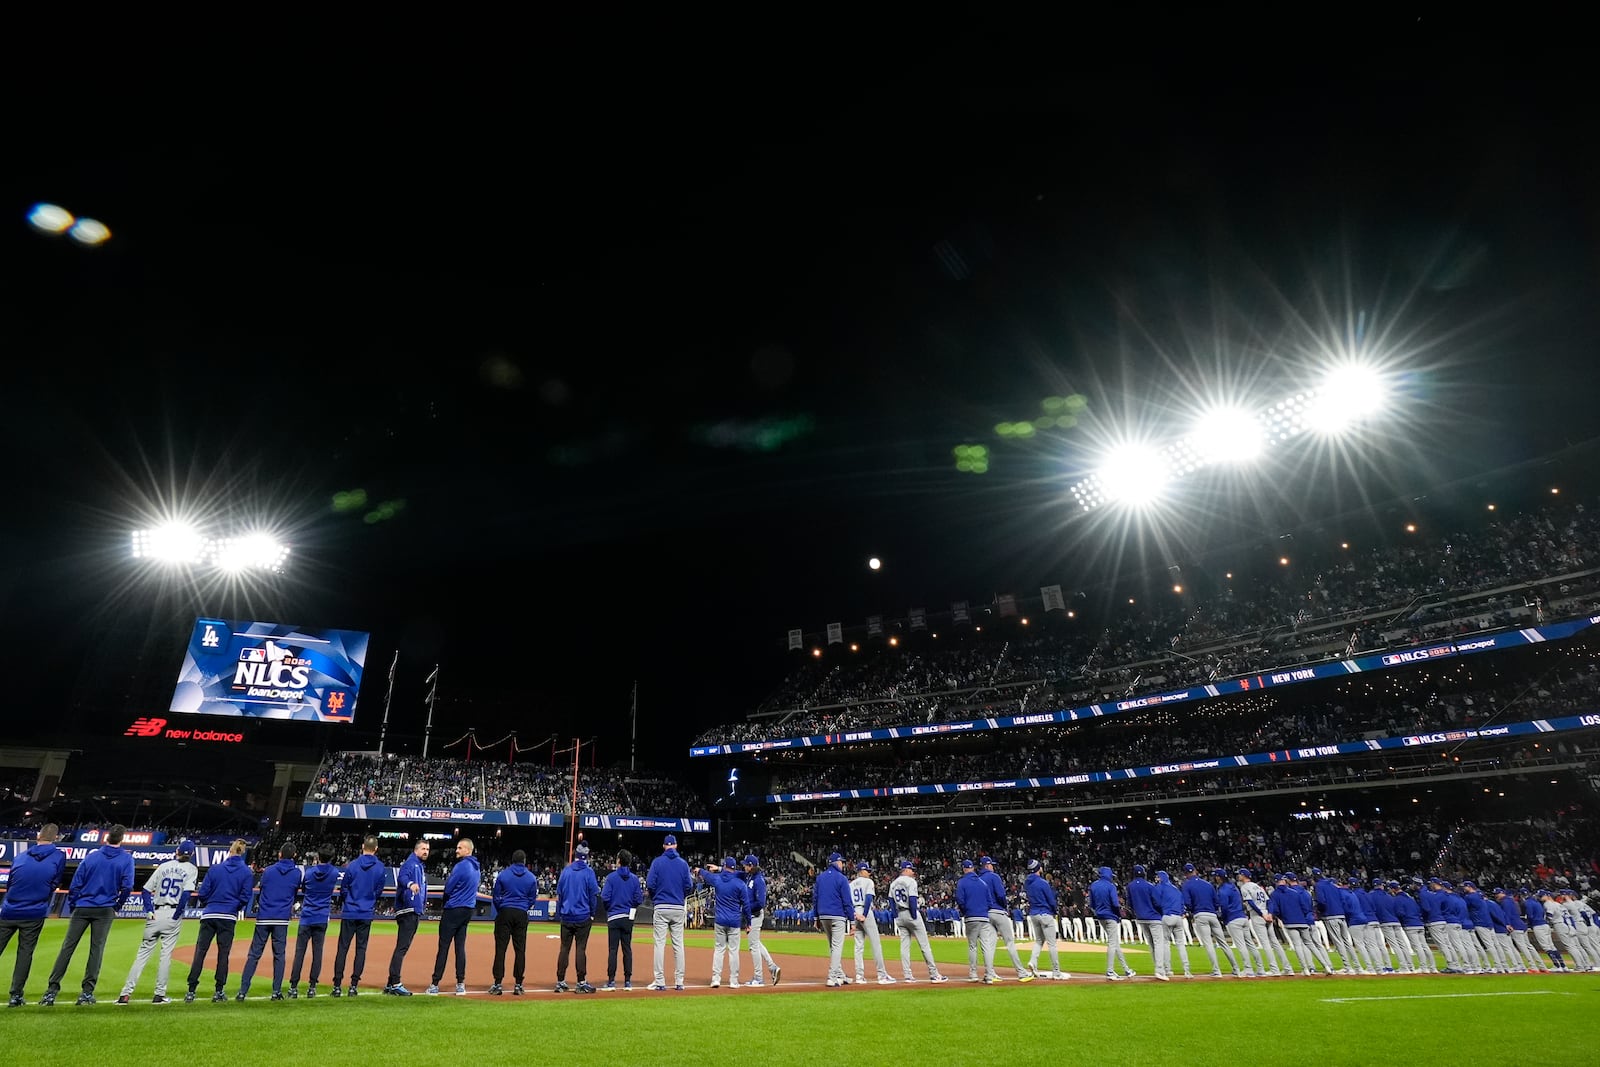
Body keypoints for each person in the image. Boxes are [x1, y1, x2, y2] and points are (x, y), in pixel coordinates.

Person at [40, 824, 135, 1006]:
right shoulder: (126, 859)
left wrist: (75, 903)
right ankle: (86, 993)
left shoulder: (92, 857)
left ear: (107, 838)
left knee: (67, 948)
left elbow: (76, 883)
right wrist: (118, 906)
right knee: (96, 950)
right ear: (121, 839)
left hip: (83, 906)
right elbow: (128, 886)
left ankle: (51, 992)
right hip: (105, 908)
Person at [116, 839, 198, 1005]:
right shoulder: (191, 869)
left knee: (141, 956)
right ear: (192, 855)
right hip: (172, 914)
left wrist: (149, 910)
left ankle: (125, 994)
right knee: (165, 956)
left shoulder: (164, 866)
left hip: (156, 913)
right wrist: (177, 915)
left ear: (177, 850)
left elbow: (146, 890)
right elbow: (186, 895)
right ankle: (159, 995)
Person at [1, 824, 66, 1007]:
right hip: (34, 911)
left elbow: (11, 882)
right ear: (56, 838)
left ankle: (16, 995)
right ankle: (15, 995)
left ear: (38, 836)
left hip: (10, 909)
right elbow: (54, 882)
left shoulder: (21, 856)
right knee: (25, 953)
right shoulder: (58, 856)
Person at [185, 839, 253, 1003]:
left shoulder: (215, 869)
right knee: (223, 954)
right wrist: (232, 907)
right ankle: (219, 991)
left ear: (229, 851)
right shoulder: (246, 872)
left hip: (209, 914)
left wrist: (211, 903)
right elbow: (245, 897)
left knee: (200, 952)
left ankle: (191, 990)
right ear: (242, 852)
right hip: (227, 917)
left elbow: (202, 893)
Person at [236, 843, 303, 1000]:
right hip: (281, 918)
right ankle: (276, 991)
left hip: (265, 916)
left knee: (254, 955)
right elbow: (294, 893)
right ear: (294, 856)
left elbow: (262, 889)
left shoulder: (269, 871)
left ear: (280, 854)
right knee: (279, 955)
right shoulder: (296, 873)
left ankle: (242, 991)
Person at [332, 836, 386, 996]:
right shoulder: (380, 867)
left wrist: (349, 900)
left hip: (350, 911)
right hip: (366, 912)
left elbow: (344, 888)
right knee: (361, 949)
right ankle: (353, 985)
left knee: (342, 949)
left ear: (363, 846)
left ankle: (337, 986)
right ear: (376, 848)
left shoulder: (353, 865)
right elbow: (378, 891)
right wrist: (368, 901)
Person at [428, 838, 479, 995]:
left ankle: (435, 984)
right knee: (460, 947)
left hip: (453, 910)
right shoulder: (477, 867)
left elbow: (448, 888)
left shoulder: (461, 866)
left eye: (460, 848)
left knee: (443, 947)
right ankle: (460, 983)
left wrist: (445, 903)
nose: (456, 850)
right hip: (467, 910)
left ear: (468, 850)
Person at [289, 845, 339, 997]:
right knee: (318, 953)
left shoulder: (310, 873)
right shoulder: (334, 873)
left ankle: (293, 987)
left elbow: (304, 889)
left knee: (299, 953)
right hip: (322, 916)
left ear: (318, 857)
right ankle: (312, 987)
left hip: (307, 916)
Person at [645, 834, 693, 990]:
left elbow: (650, 884)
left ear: (664, 846)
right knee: (678, 945)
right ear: (676, 846)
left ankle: (660, 981)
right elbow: (689, 887)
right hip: (678, 907)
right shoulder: (683, 864)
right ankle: (679, 981)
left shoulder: (657, 862)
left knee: (659, 944)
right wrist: (680, 897)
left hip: (661, 906)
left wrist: (656, 898)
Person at [887, 858, 946, 983]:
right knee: (924, 945)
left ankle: (908, 975)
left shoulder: (893, 883)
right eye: (911, 869)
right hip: (910, 913)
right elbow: (913, 899)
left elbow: (891, 901)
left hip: (900, 914)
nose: (913, 872)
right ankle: (934, 974)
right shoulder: (911, 881)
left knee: (904, 946)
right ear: (906, 870)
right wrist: (914, 915)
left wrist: (896, 915)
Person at [384, 838, 430, 996]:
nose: (426, 852)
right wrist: (410, 884)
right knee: (402, 947)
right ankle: (396, 983)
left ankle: (391, 983)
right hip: (408, 910)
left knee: (401, 947)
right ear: (416, 850)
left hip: (413, 909)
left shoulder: (418, 865)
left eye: (427, 849)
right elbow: (402, 878)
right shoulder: (411, 864)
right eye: (423, 848)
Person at [555, 842, 600, 994]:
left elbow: (559, 894)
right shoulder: (588, 872)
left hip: (567, 915)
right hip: (583, 916)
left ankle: (560, 981)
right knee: (581, 949)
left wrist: (560, 912)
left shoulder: (566, 871)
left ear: (575, 856)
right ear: (586, 857)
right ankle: (581, 982)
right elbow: (593, 895)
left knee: (564, 948)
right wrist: (592, 913)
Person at [490, 849, 536, 995]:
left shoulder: (503, 875)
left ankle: (497, 984)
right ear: (524, 861)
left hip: (505, 912)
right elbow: (532, 899)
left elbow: (496, 896)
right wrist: (523, 908)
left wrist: (502, 908)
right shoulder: (531, 877)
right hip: (521, 913)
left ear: (512, 860)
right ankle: (518, 984)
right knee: (520, 950)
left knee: (500, 950)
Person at [697, 856, 748, 988]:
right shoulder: (740, 883)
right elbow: (746, 905)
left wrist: (700, 870)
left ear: (724, 867)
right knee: (733, 951)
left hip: (720, 920)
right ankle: (733, 980)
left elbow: (707, 875)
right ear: (734, 868)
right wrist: (749, 922)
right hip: (734, 921)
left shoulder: (718, 879)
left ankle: (715, 979)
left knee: (719, 950)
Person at [979, 856, 1031, 982]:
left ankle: (989, 973)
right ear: (987, 865)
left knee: (989, 945)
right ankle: (1021, 972)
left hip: (986, 914)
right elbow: (1001, 895)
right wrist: (1004, 906)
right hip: (998, 911)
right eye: (991, 865)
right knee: (1010, 943)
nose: (993, 867)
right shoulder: (994, 877)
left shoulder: (978, 879)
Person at [1180, 863, 1234, 978]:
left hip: (1200, 915)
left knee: (1208, 943)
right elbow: (1216, 902)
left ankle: (1216, 970)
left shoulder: (1186, 885)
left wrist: (1191, 910)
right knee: (1223, 943)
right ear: (1195, 871)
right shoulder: (1208, 884)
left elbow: (1187, 903)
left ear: (1185, 874)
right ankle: (1236, 969)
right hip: (1213, 915)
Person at [602, 849, 644, 990]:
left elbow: (605, 898)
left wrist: (611, 908)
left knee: (613, 950)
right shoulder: (634, 879)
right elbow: (638, 899)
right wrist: (630, 908)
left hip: (614, 916)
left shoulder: (611, 878)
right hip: (627, 917)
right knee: (627, 949)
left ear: (619, 861)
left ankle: (611, 981)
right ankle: (627, 981)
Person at [849, 861, 893, 984]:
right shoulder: (868, 882)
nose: (869, 873)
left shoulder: (851, 884)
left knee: (858, 947)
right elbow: (868, 898)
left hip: (854, 912)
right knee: (876, 944)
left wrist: (853, 918)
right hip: (865, 912)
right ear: (861, 871)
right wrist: (864, 914)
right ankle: (881, 975)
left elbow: (848, 903)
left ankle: (859, 976)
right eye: (867, 871)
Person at [954, 858, 997, 983]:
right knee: (986, 946)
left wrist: (966, 911)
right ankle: (989, 975)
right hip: (984, 917)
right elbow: (990, 902)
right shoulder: (982, 882)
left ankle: (973, 974)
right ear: (973, 868)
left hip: (971, 917)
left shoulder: (962, 882)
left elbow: (960, 900)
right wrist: (982, 910)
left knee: (973, 946)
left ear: (964, 869)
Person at [815, 852, 854, 987]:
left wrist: (816, 917)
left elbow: (815, 898)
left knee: (833, 946)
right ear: (837, 863)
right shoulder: (841, 878)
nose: (843, 865)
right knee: (837, 947)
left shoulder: (820, 878)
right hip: (837, 915)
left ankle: (840, 975)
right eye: (841, 862)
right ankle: (832, 977)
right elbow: (847, 901)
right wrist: (852, 921)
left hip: (823, 915)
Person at [1239, 868, 1288, 976]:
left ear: (1243, 876)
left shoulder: (1244, 887)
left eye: (1240, 875)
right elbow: (1269, 901)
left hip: (1258, 915)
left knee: (1266, 944)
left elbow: (1251, 903)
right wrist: (1270, 913)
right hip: (1267, 914)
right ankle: (1287, 968)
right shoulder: (1258, 887)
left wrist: (1262, 914)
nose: (1239, 876)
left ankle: (1274, 970)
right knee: (1275, 942)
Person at [1088, 866, 1134, 981]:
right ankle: (1109, 970)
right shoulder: (1110, 886)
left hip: (1100, 916)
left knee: (1115, 943)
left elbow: (1092, 904)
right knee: (1112, 944)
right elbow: (1115, 903)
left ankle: (1126, 969)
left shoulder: (1093, 885)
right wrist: (1118, 915)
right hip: (1111, 916)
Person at [1023, 859, 1066, 980]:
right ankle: (1056, 971)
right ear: (1038, 868)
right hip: (1045, 913)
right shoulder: (1043, 883)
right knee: (1052, 944)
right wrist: (1054, 910)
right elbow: (1051, 900)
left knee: (1038, 941)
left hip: (1034, 914)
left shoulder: (1027, 883)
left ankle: (1033, 962)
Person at [742, 855, 780, 987]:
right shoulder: (750, 877)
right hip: (751, 915)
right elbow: (737, 874)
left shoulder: (758, 880)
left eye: (746, 865)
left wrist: (745, 907)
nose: (744, 866)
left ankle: (758, 978)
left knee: (753, 946)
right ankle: (772, 967)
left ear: (751, 866)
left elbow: (761, 903)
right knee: (756, 943)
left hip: (755, 916)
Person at [1212, 868, 1256, 977]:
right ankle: (1260, 969)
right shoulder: (1234, 887)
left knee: (1241, 946)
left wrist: (1222, 917)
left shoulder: (1222, 890)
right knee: (1250, 944)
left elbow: (1224, 907)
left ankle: (1248, 969)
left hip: (1233, 919)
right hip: (1242, 916)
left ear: (1219, 877)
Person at [1311, 868, 1355, 974]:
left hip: (1330, 915)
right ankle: (1356, 966)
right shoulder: (1333, 885)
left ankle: (1348, 967)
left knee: (1338, 942)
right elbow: (1342, 900)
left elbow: (1321, 901)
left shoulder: (1319, 886)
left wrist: (1320, 911)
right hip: (1341, 915)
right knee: (1346, 941)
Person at [1127, 864, 1166, 978]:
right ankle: (1159, 970)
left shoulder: (1130, 886)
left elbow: (1129, 903)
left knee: (1152, 944)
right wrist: (1160, 912)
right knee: (1159, 943)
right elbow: (1158, 902)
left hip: (1141, 918)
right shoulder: (1150, 886)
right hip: (1153, 917)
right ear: (1144, 874)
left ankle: (1158, 968)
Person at [1154, 871, 1193, 979]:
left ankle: (1168, 970)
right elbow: (1182, 904)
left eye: (1157, 877)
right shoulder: (1176, 889)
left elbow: (1156, 902)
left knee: (1165, 943)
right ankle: (1187, 970)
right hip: (1178, 918)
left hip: (1167, 916)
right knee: (1181, 944)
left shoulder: (1159, 887)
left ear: (1160, 878)